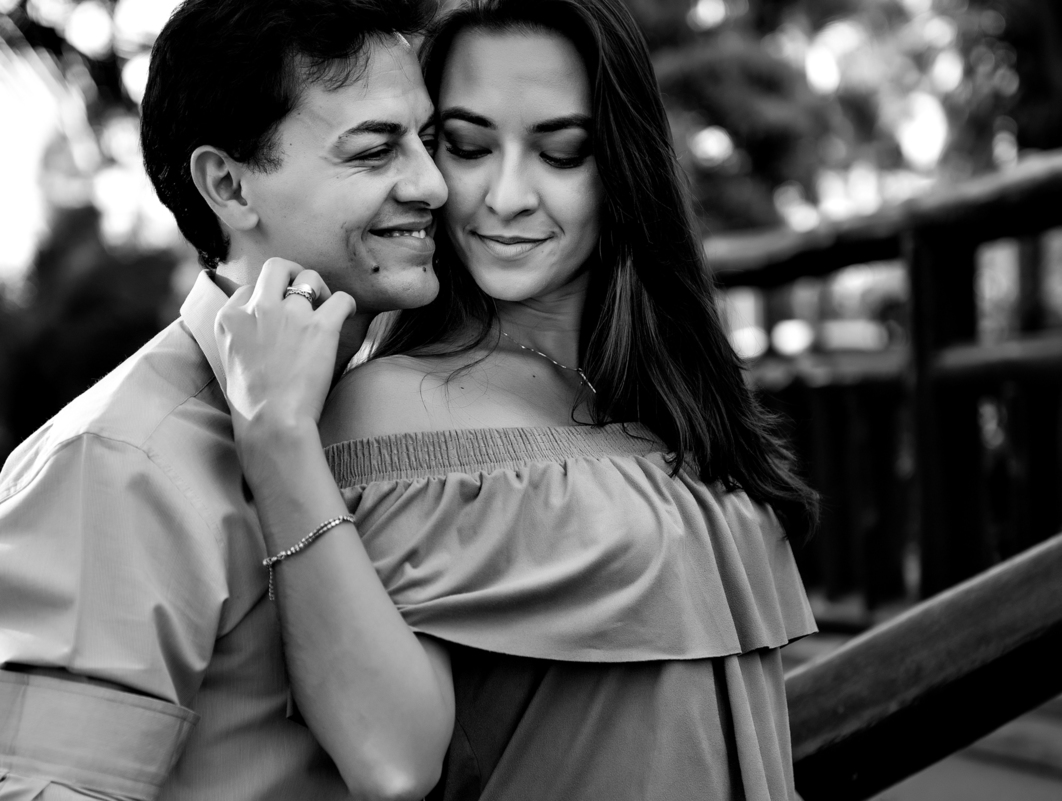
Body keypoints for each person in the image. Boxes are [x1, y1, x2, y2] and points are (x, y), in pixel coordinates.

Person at [217, 0, 820, 798]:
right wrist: (278, 439)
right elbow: (389, 759)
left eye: (561, 153)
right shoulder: (397, 406)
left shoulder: (674, 399)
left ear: (622, 164)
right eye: (467, 147)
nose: (505, 197)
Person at [0, 0, 447, 798]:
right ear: (229, 184)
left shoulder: (403, 409)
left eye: (431, 140)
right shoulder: (116, 463)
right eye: (376, 150)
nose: (433, 184)